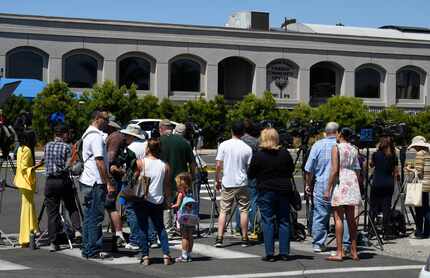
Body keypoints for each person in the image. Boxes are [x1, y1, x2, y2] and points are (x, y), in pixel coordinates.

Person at [248, 128, 294, 262]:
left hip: (266, 190)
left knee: (267, 220)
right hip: (284, 190)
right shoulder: (284, 153)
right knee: (283, 220)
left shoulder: (259, 155)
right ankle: (284, 252)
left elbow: (251, 174)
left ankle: (270, 253)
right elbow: (290, 170)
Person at [304, 122, 350, 253]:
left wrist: (308, 184)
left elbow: (309, 168)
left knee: (320, 215)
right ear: (337, 132)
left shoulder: (317, 145)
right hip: (341, 184)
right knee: (342, 216)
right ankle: (345, 244)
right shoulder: (343, 146)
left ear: (325, 132)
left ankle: (318, 243)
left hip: (322, 184)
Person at [79, 110, 114, 259]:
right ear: (97, 119)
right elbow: (99, 162)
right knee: (96, 217)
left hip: (87, 180)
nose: (107, 122)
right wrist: (108, 182)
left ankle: (87, 247)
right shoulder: (95, 137)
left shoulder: (87, 134)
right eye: (105, 119)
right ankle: (93, 249)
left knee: (88, 216)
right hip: (95, 182)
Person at [132, 138, 172, 266]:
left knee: (143, 227)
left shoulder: (140, 163)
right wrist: (168, 200)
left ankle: (145, 256)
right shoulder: (165, 166)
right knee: (160, 227)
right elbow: (166, 185)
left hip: (143, 199)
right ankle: (166, 255)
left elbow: (133, 179)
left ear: (147, 149)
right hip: (158, 200)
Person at [324, 127, 361, 261]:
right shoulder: (353, 149)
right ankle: (354, 251)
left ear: (340, 134)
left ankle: (339, 252)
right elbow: (358, 169)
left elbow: (334, 170)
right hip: (352, 181)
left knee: (338, 218)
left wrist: (328, 188)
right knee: (351, 219)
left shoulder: (336, 148)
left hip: (341, 181)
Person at [43, 125, 81, 251]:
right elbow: (69, 166)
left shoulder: (47, 145)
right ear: (64, 134)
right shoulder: (66, 147)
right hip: (62, 180)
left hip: (50, 182)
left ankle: (53, 242)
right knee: (71, 205)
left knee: (52, 213)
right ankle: (78, 230)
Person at [215, 121, 253, 247]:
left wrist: (217, 179)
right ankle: (244, 237)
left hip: (228, 181)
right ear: (243, 132)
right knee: (244, 210)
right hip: (242, 182)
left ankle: (219, 238)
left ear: (231, 131)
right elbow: (249, 167)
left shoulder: (224, 145)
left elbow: (219, 164)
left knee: (224, 210)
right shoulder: (247, 148)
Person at [159, 119, 196, 234]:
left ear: (161, 129)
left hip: (166, 177)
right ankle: (182, 226)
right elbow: (192, 163)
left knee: (167, 204)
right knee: (182, 204)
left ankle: (168, 229)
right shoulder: (184, 142)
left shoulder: (159, 141)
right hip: (182, 178)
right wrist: (192, 176)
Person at [14, 132, 43, 247]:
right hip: (26, 182)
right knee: (27, 208)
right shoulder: (27, 150)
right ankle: (26, 237)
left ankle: (30, 232)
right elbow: (24, 168)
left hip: (21, 181)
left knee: (28, 207)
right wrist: (38, 165)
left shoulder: (20, 149)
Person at [369, 136, 399, 238]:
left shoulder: (376, 154)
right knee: (386, 208)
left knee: (373, 207)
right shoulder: (393, 155)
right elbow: (396, 171)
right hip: (388, 183)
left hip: (377, 183)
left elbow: (371, 165)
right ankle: (386, 231)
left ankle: (371, 229)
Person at [105, 117, 128, 250]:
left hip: (112, 176)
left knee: (110, 206)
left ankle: (118, 234)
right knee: (113, 206)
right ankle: (116, 234)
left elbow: (110, 158)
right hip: (116, 176)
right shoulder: (118, 136)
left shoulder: (114, 137)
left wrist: (106, 177)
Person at [234, 119, 259, 237]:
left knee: (240, 202)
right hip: (253, 174)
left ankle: (239, 225)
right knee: (253, 201)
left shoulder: (236, 141)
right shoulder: (255, 142)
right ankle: (253, 226)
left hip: (238, 173)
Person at [406, 136, 430, 239]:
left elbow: (418, 171)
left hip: (420, 184)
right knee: (426, 209)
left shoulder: (419, 154)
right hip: (426, 184)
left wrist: (408, 168)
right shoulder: (427, 153)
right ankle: (426, 231)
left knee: (420, 210)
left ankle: (420, 232)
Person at [172, 172, 197, 263]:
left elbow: (177, 205)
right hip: (192, 217)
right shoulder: (191, 192)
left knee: (184, 237)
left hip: (183, 218)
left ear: (181, 185)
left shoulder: (180, 194)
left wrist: (172, 205)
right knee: (190, 236)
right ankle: (189, 255)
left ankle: (184, 255)